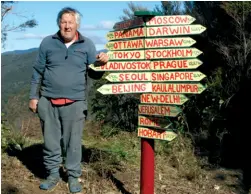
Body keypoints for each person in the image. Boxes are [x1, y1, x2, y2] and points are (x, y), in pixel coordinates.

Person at [29, 7, 108, 193]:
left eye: (70, 22)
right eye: (63, 22)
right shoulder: (47, 43)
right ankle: (52, 175)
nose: (67, 26)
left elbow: (93, 74)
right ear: (59, 23)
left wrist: (102, 65)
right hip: (48, 101)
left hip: (75, 102)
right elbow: (37, 71)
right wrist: (33, 96)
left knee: (73, 144)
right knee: (50, 142)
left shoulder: (87, 44)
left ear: (77, 24)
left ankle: (73, 177)